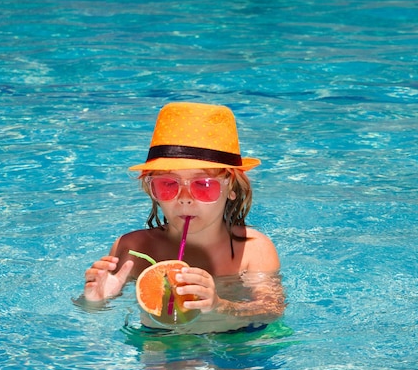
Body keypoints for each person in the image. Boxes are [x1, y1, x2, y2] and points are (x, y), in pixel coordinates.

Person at [83, 102, 285, 333]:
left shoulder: (253, 249)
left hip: (240, 340)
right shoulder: (133, 249)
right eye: (168, 184)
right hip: (161, 340)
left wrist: (221, 306)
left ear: (232, 188)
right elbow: (90, 317)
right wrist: (94, 301)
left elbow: (272, 309)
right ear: (151, 189)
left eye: (203, 185)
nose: (185, 198)